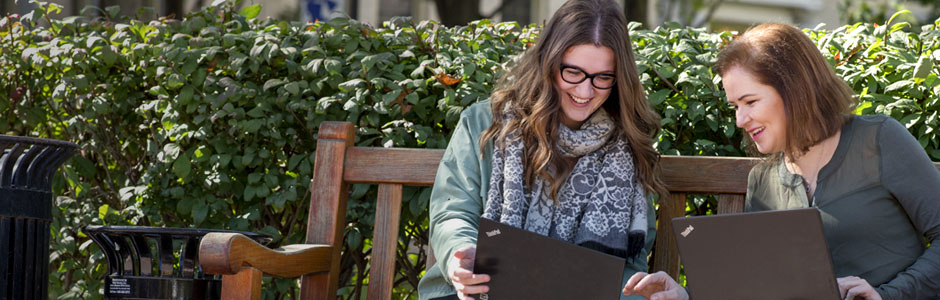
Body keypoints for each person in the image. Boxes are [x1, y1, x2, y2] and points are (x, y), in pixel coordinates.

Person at [623, 22, 940, 300]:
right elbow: (757, 285)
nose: (740, 119)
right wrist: (685, 294)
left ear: (796, 91)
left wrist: (887, 295)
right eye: (735, 105)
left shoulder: (879, 140)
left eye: (750, 101)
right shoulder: (764, 181)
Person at [416, 0, 669, 299]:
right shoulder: (485, 122)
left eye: (603, 78)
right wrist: (461, 254)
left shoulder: (629, 145)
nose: (585, 92)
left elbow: (629, 267)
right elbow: (454, 212)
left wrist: (644, 291)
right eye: (573, 72)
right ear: (548, 63)